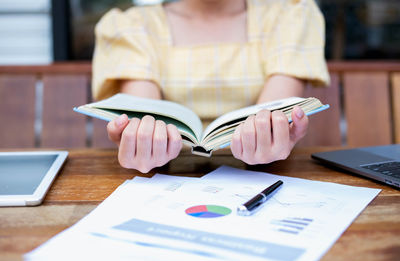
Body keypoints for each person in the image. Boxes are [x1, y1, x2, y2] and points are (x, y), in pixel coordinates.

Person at [92, 0, 329, 173]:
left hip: (260, 179)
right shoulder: (134, 25)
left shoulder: (290, 16)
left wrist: (274, 137)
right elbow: (147, 120)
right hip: (167, 180)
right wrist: (140, 139)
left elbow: (271, 121)